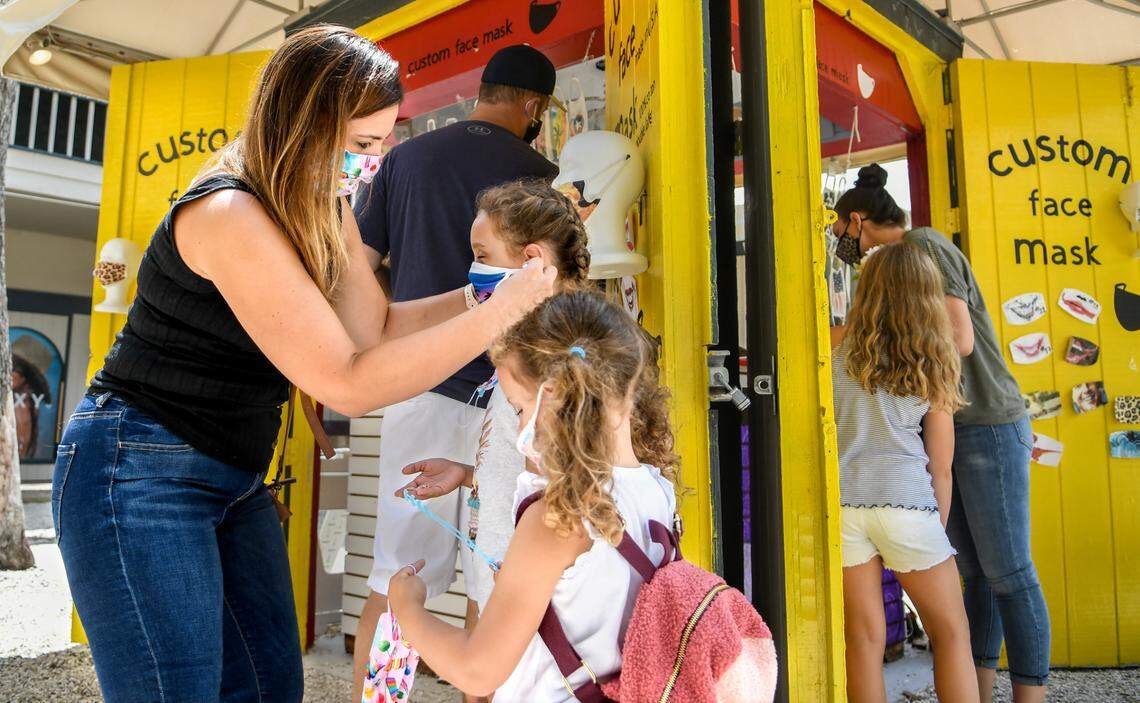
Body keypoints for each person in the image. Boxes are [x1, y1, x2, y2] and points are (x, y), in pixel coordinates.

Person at [52, 26, 555, 703]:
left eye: (380, 146)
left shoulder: (332, 196)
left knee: (322, 642)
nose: (371, 165)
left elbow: (372, 326)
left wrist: (480, 293)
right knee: (400, 579)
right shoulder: (231, 208)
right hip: (147, 463)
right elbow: (348, 372)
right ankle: (380, 698)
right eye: (363, 146)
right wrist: (496, 314)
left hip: (253, 462)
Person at [351, 43, 564, 693]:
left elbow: (357, 266)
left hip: (420, 385)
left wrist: (373, 343)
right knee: (499, 575)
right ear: (533, 106)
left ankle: (383, 697)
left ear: (482, 89)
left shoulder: (404, 159)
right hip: (515, 395)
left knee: (400, 571)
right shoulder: (540, 174)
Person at [388, 290, 679, 701]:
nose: (521, 423)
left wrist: (408, 608)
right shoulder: (656, 489)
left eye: (520, 407)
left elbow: (477, 671)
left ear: (556, 394)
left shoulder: (556, 518)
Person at [832, 164, 1049, 702]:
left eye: (839, 229)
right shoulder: (921, 363)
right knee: (968, 596)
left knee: (1006, 574)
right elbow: (940, 466)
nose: (840, 241)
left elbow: (963, 338)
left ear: (856, 221)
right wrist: (934, 520)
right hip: (922, 472)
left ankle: (1026, 694)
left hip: (982, 428)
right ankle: (981, 687)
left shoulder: (924, 243)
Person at [392, 179, 591, 620]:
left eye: (483, 257)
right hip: (504, 585)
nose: (472, 269)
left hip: (531, 600)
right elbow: (528, 473)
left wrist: (411, 616)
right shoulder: (524, 355)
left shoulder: (555, 367)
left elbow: (563, 494)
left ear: (532, 260)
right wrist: (468, 474)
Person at [831, 242, 977, 703]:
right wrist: (935, 526)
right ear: (926, 294)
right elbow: (942, 465)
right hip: (907, 504)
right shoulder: (933, 357)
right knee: (952, 633)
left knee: (864, 639)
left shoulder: (834, 344)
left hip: (846, 505)